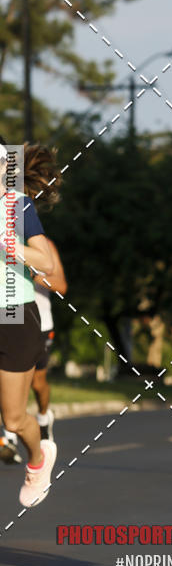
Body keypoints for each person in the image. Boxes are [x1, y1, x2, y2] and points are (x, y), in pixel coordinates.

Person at [0, 141, 61, 506]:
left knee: (13, 420)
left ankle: (38, 459)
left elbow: (47, 263)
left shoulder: (17, 206)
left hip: (13, 316)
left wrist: (10, 245)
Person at [1, 239, 67, 462]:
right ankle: (9, 437)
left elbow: (61, 286)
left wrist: (32, 274)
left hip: (40, 323)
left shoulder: (45, 245)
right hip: (10, 317)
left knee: (37, 383)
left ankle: (43, 417)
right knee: (7, 378)